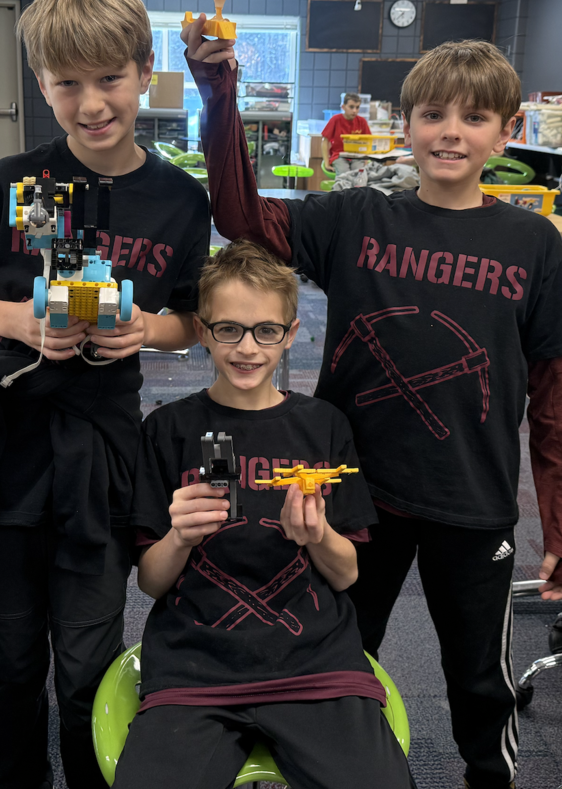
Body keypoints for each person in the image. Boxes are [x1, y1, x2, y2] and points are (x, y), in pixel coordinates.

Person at [184, 23, 562, 789]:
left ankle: (489, 779)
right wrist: (218, 93)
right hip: (355, 492)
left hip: (472, 500)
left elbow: (557, 399)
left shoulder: (531, 243)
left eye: (474, 118)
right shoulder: (356, 218)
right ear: (403, 126)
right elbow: (243, 218)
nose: (450, 133)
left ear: (508, 132)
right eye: (433, 114)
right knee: (340, 655)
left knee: (478, 675)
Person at [0, 0, 210, 789]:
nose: (91, 104)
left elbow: (192, 318)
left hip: (101, 460)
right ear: (40, 83)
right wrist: (21, 322)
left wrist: (148, 332)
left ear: (144, 69)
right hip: (6, 453)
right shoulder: (18, 182)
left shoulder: (179, 202)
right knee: (12, 668)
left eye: (110, 78)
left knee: (88, 669)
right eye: (66, 83)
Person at [114, 240, 412, 789]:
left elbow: (347, 573)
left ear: (291, 334)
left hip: (315, 663)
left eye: (265, 331)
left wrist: (318, 534)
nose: (246, 348)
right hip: (194, 664)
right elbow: (152, 584)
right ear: (202, 332)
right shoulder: (166, 429)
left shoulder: (323, 426)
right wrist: (179, 538)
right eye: (228, 329)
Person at [321, 91, 371, 164]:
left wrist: (365, 159)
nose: (354, 110)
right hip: (339, 156)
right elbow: (325, 140)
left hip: (357, 156)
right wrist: (326, 162)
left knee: (359, 171)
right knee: (343, 171)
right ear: (343, 107)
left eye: (357, 107)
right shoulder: (335, 120)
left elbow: (368, 141)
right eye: (351, 107)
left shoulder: (362, 121)